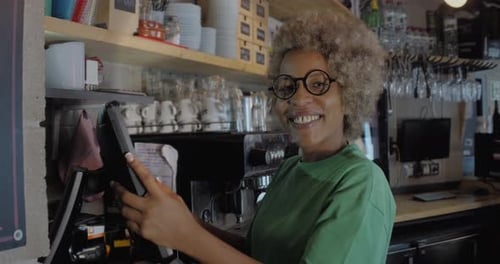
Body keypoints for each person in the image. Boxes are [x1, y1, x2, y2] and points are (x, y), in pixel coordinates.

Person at [112, 9, 396, 264]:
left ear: (350, 93)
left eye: (318, 84)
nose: (298, 98)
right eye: (287, 85)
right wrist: (186, 221)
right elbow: (256, 253)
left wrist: (186, 235)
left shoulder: (362, 183)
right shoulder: (290, 169)